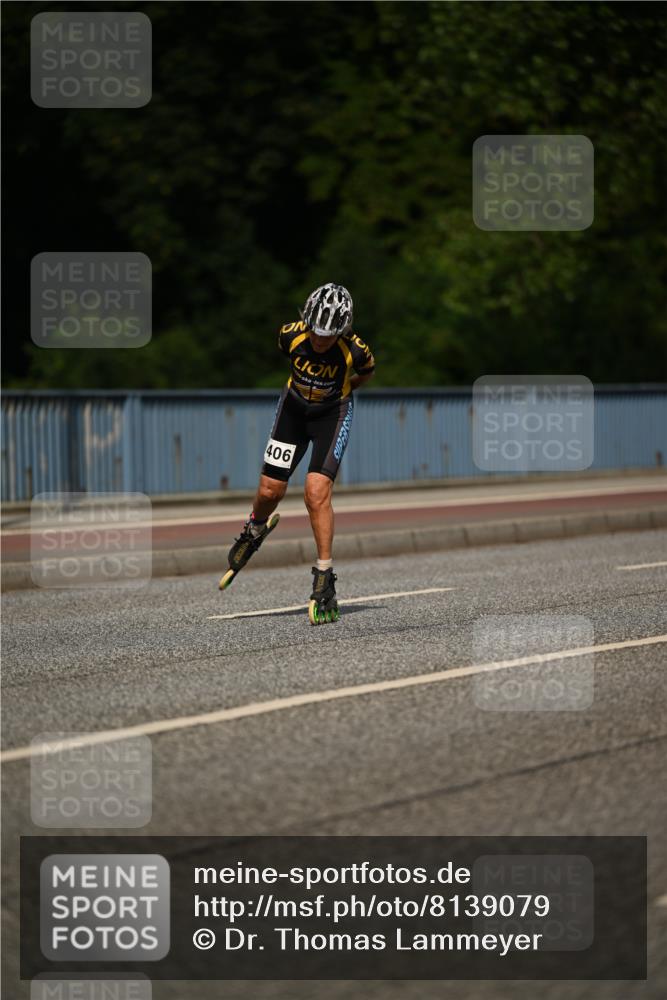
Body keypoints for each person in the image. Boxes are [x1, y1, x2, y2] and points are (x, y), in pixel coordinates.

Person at [225, 283, 375, 622]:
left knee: (315, 492)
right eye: (316, 332)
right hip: (293, 411)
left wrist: (345, 389)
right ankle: (254, 529)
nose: (320, 340)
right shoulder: (288, 335)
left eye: (329, 335)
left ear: (344, 329)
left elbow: (366, 373)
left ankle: (325, 576)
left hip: (332, 414)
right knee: (269, 490)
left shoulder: (356, 349)